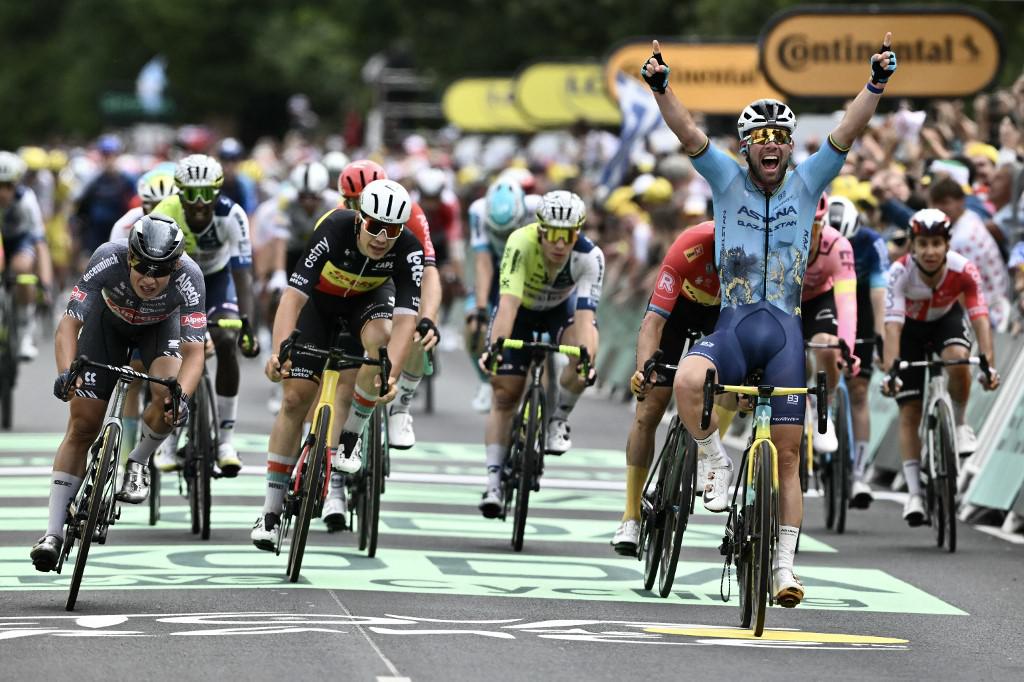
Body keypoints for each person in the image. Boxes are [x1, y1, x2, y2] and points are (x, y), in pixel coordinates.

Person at [642, 32, 897, 607]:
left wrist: (875, 82)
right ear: (746, 147)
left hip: (784, 331)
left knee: (787, 454)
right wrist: (663, 88)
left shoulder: (808, 183)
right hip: (733, 327)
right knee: (687, 379)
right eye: (762, 138)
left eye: (781, 137)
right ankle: (714, 458)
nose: (773, 145)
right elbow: (686, 131)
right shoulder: (725, 181)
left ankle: (784, 567)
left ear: (789, 146)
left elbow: (849, 129)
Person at [252, 179, 424, 551]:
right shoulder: (333, 228)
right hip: (319, 307)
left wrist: (390, 375)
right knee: (295, 400)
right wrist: (279, 351)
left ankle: (349, 439)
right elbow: (293, 297)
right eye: (375, 226)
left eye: (391, 230)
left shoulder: (408, 248)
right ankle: (269, 511)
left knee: (382, 338)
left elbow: (408, 319)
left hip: (367, 305)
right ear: (360, 218)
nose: (381, 237)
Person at [30, 215, 205, 571]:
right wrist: (67, 372)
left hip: (158, 332)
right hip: (106, 327)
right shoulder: (107, 257)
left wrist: (182, 397)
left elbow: (194, 352)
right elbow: (69, 325)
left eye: (160, 271)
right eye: (141, 267)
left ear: (175, 266)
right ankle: (52, 534)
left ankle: (138, 460)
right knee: (82, 426)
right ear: (129, 258)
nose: (149, 279)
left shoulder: (191, 276)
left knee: (167, 397)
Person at [477, 190, 604, 518]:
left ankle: (559, 418)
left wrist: (587, 360)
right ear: (540, 230)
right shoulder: (521, 243)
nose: (561, 244)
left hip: (560, 311)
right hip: (521, 312)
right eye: (553, 235)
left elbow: (587, 318)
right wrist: (494, 349)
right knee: (505, 394)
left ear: (578, 232)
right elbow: (507, 305)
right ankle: (492, 481)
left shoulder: (590, 257)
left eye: (569, 235)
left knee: (581, 363)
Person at [880, 208, 1000, 525]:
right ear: (913, 247)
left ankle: (959, 425)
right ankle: (916, 494)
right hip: (909, 330)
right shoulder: (898, 272)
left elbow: (980, 317)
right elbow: (892, 327)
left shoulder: (964, 269)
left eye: (936, 243)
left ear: (947, 244)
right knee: (909, 412)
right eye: (923, 244)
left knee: (958, 359)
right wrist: (892, 370)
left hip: (946, 321)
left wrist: (989, 363)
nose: (930, 251)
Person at [612, 221, 720, 555]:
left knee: (727, 388)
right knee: (650, 408)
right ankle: (630, 516)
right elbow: (653, 323)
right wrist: (645, 370)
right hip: (677, 312)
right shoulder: (689, 246)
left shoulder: (754, 251)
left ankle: (709, 458)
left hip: (722, 316)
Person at [151, 154, 259, 476]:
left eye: (207, 194)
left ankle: (225, 439)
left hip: (217, 280)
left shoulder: (232, 215)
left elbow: (243, 275)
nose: (199, 203)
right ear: (179, 192)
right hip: (176, 281)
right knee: (170, 350)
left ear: (218, 192)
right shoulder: (164, 213)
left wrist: (247, 324)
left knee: (226, 339)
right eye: (191, 194)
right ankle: (168, 440)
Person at [334, 160, 442, 452]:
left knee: (418, 333)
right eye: (352, 202)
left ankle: (401, 407)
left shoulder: (410, 213)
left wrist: (428, 318)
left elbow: (429, 271)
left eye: (364, 199)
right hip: (351, 283)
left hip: (390, 279)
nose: (359, 208)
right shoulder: (337, 216)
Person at [827, 195, 889, 507]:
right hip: (824, 302)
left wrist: (879, 335)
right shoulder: (813, 236)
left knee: (859, 390)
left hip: (860, 307)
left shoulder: (872, 242)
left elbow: (880, 292)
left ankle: (860, 471)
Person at [465, 179, 543, 413]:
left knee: (542, 338)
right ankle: (485, 381)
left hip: (530, 270)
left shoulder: (537, 208)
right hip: (498, 269)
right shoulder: (478, 211)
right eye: (498, 232)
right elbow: (483, 263)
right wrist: (480, 309)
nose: (503, 236)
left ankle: (545, 395)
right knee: (473, 326)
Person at [800, 192, 859, 454]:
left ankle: (824, 407)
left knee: (827, 346)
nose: (804, 236)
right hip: (783, 298)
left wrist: (847, 347)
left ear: (821, 226)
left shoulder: (838, 245)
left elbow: (847, 302)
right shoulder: (773, 240)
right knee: (789, 355)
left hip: (819, 299)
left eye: (811, 228)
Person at [928, 177, 1011, 337]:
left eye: (945, 202)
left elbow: (959, 291)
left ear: (961, 201)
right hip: (997, 300)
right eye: (935, 203)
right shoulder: (970, 216)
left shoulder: (961, 239)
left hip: (989, 314)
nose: (940, 208)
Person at [0, 150, 53, 361]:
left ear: (16, 184)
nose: (3, 192)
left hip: (21, 241)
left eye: (8, 186)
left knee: (22, 270)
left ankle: (25, 332)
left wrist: (46, 284)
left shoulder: (27, 200)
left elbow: (40, 243)